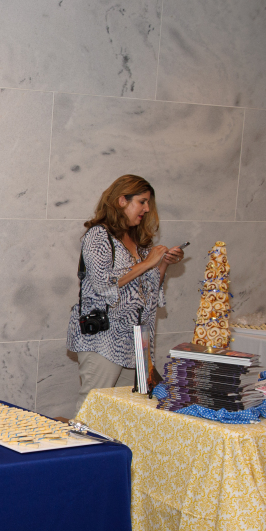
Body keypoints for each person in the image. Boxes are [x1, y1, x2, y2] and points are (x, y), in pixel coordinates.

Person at [66, 175, 184, 415]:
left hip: (137, 341)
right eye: (142, 201)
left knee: (129, 414)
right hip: (103, 338)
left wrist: (162, 264)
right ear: (122, 200)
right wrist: (148, 262)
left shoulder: (138, 240)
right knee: (95, 411)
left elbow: (148, 291)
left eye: (148, 203)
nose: (147, 209)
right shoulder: (98, 236)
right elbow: (102, 283)